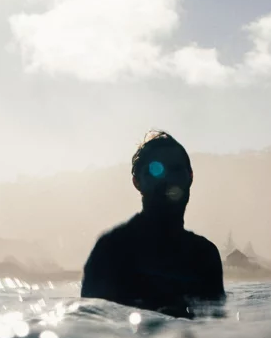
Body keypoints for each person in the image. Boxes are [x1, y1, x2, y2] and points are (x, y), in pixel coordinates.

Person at [80, 130, 225, 318]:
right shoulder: (111, 250)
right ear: (137, 182)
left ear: (190, 177)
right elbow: (91, 331)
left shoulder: (204, 255)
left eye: (176, 170)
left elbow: (216, 330)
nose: (168, 180)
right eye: (155, 170)